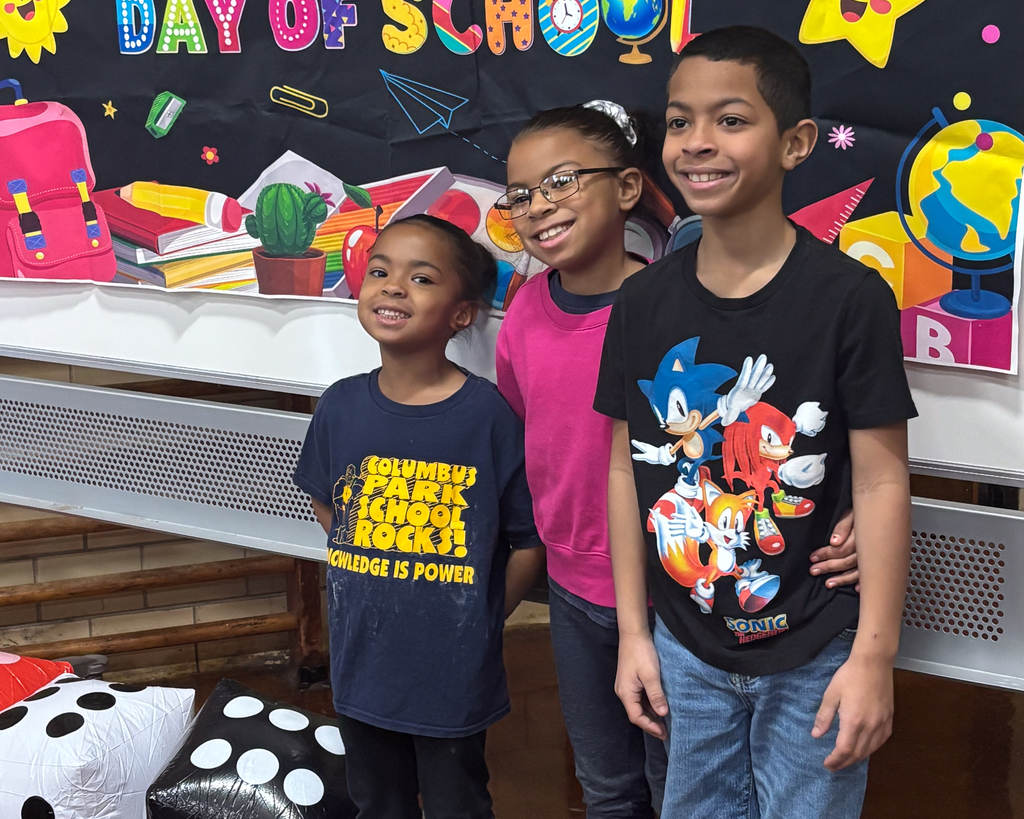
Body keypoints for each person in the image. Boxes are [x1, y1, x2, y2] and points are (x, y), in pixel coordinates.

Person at [497, 100, 866, 818]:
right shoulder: (522, 311)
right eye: (521, 193)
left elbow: (774, 422)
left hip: (681, 595)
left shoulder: (674, 306)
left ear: (629, 188)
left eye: (562, 181)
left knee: (685, 779)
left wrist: (846, 503)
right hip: (575, 589)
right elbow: (526, 428)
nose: (540, 205)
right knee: (605, 778)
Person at [293, 213, 544, 819]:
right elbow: (327, 501)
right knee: (377, 802)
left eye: (421, 277)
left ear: (462, 314)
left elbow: (528, 539)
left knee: (459, 802)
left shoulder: (488, 416)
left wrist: (486, 613)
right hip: (362, 666)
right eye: (379, 270)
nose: (393, 286)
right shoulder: (341, 405)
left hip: (453, 672)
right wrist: (367, 552)